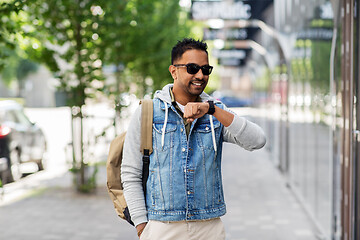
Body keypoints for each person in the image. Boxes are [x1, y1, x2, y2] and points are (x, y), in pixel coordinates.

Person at [121, 38, 266, 240]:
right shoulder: (148, 112)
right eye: (192, 68)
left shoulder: (215, 112)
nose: (200, 75)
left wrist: (212, 109)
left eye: (206, 69)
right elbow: (130, 173)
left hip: (209, 227)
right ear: (174, 71)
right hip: (163, 226)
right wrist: (142, 226)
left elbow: (257, 140)